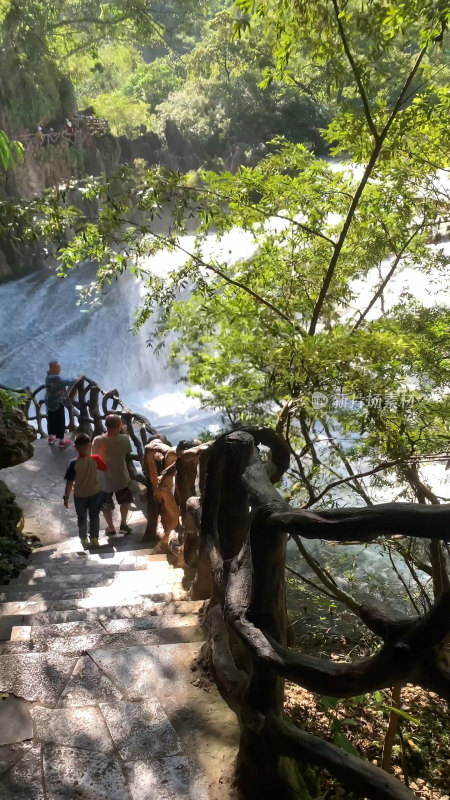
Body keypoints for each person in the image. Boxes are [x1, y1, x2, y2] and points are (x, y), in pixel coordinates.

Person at [64, 432, 107, 548]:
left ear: (75, 448)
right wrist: (101, 454)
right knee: (94, 516)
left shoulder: (73, 463)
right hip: (95, 493)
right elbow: (104, 468)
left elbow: (69, 482)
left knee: (82, 517)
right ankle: (94, 538)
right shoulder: (96, 459)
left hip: (79, 495)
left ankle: (83, 539)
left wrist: (66, 497)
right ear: (89, 446)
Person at [92, 414, 133, 536]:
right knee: (124, 501)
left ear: (106, 425)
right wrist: (124, 432)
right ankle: (124, 525)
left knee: (105, 506)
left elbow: (93, 458)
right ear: (120, 425)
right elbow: (128, 450)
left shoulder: (97, 440)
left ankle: (111, 528)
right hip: (121, 477)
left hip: (103, 479)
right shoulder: (124, 439)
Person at [45, 361, 79, 447]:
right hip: (57, 403)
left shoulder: (48, 376)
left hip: (49, 403)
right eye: (57, 367)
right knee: (60, 421)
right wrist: (79, 378)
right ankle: (62, 441)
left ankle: (51, 438)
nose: (60, 369)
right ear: (51, 368)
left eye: (59, 367)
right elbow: (68, 381)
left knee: (51, 420)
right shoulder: (56, 378)